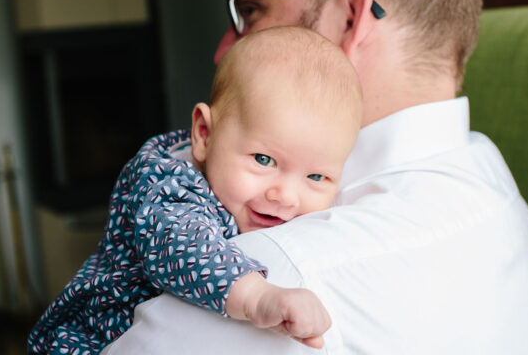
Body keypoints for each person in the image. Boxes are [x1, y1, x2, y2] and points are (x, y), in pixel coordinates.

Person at [105, 0, 528, 354]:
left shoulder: (273, 280)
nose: (222, 49)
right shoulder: (494, 188)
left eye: (250, 11)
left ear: (352, 13)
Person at [28, 27, 363, 354]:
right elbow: (182, 246)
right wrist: (258, 297)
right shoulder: (167, 183)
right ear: (204, 134)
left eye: (316, 176)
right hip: (88, 340)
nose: (285, 196)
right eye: (264, 160)